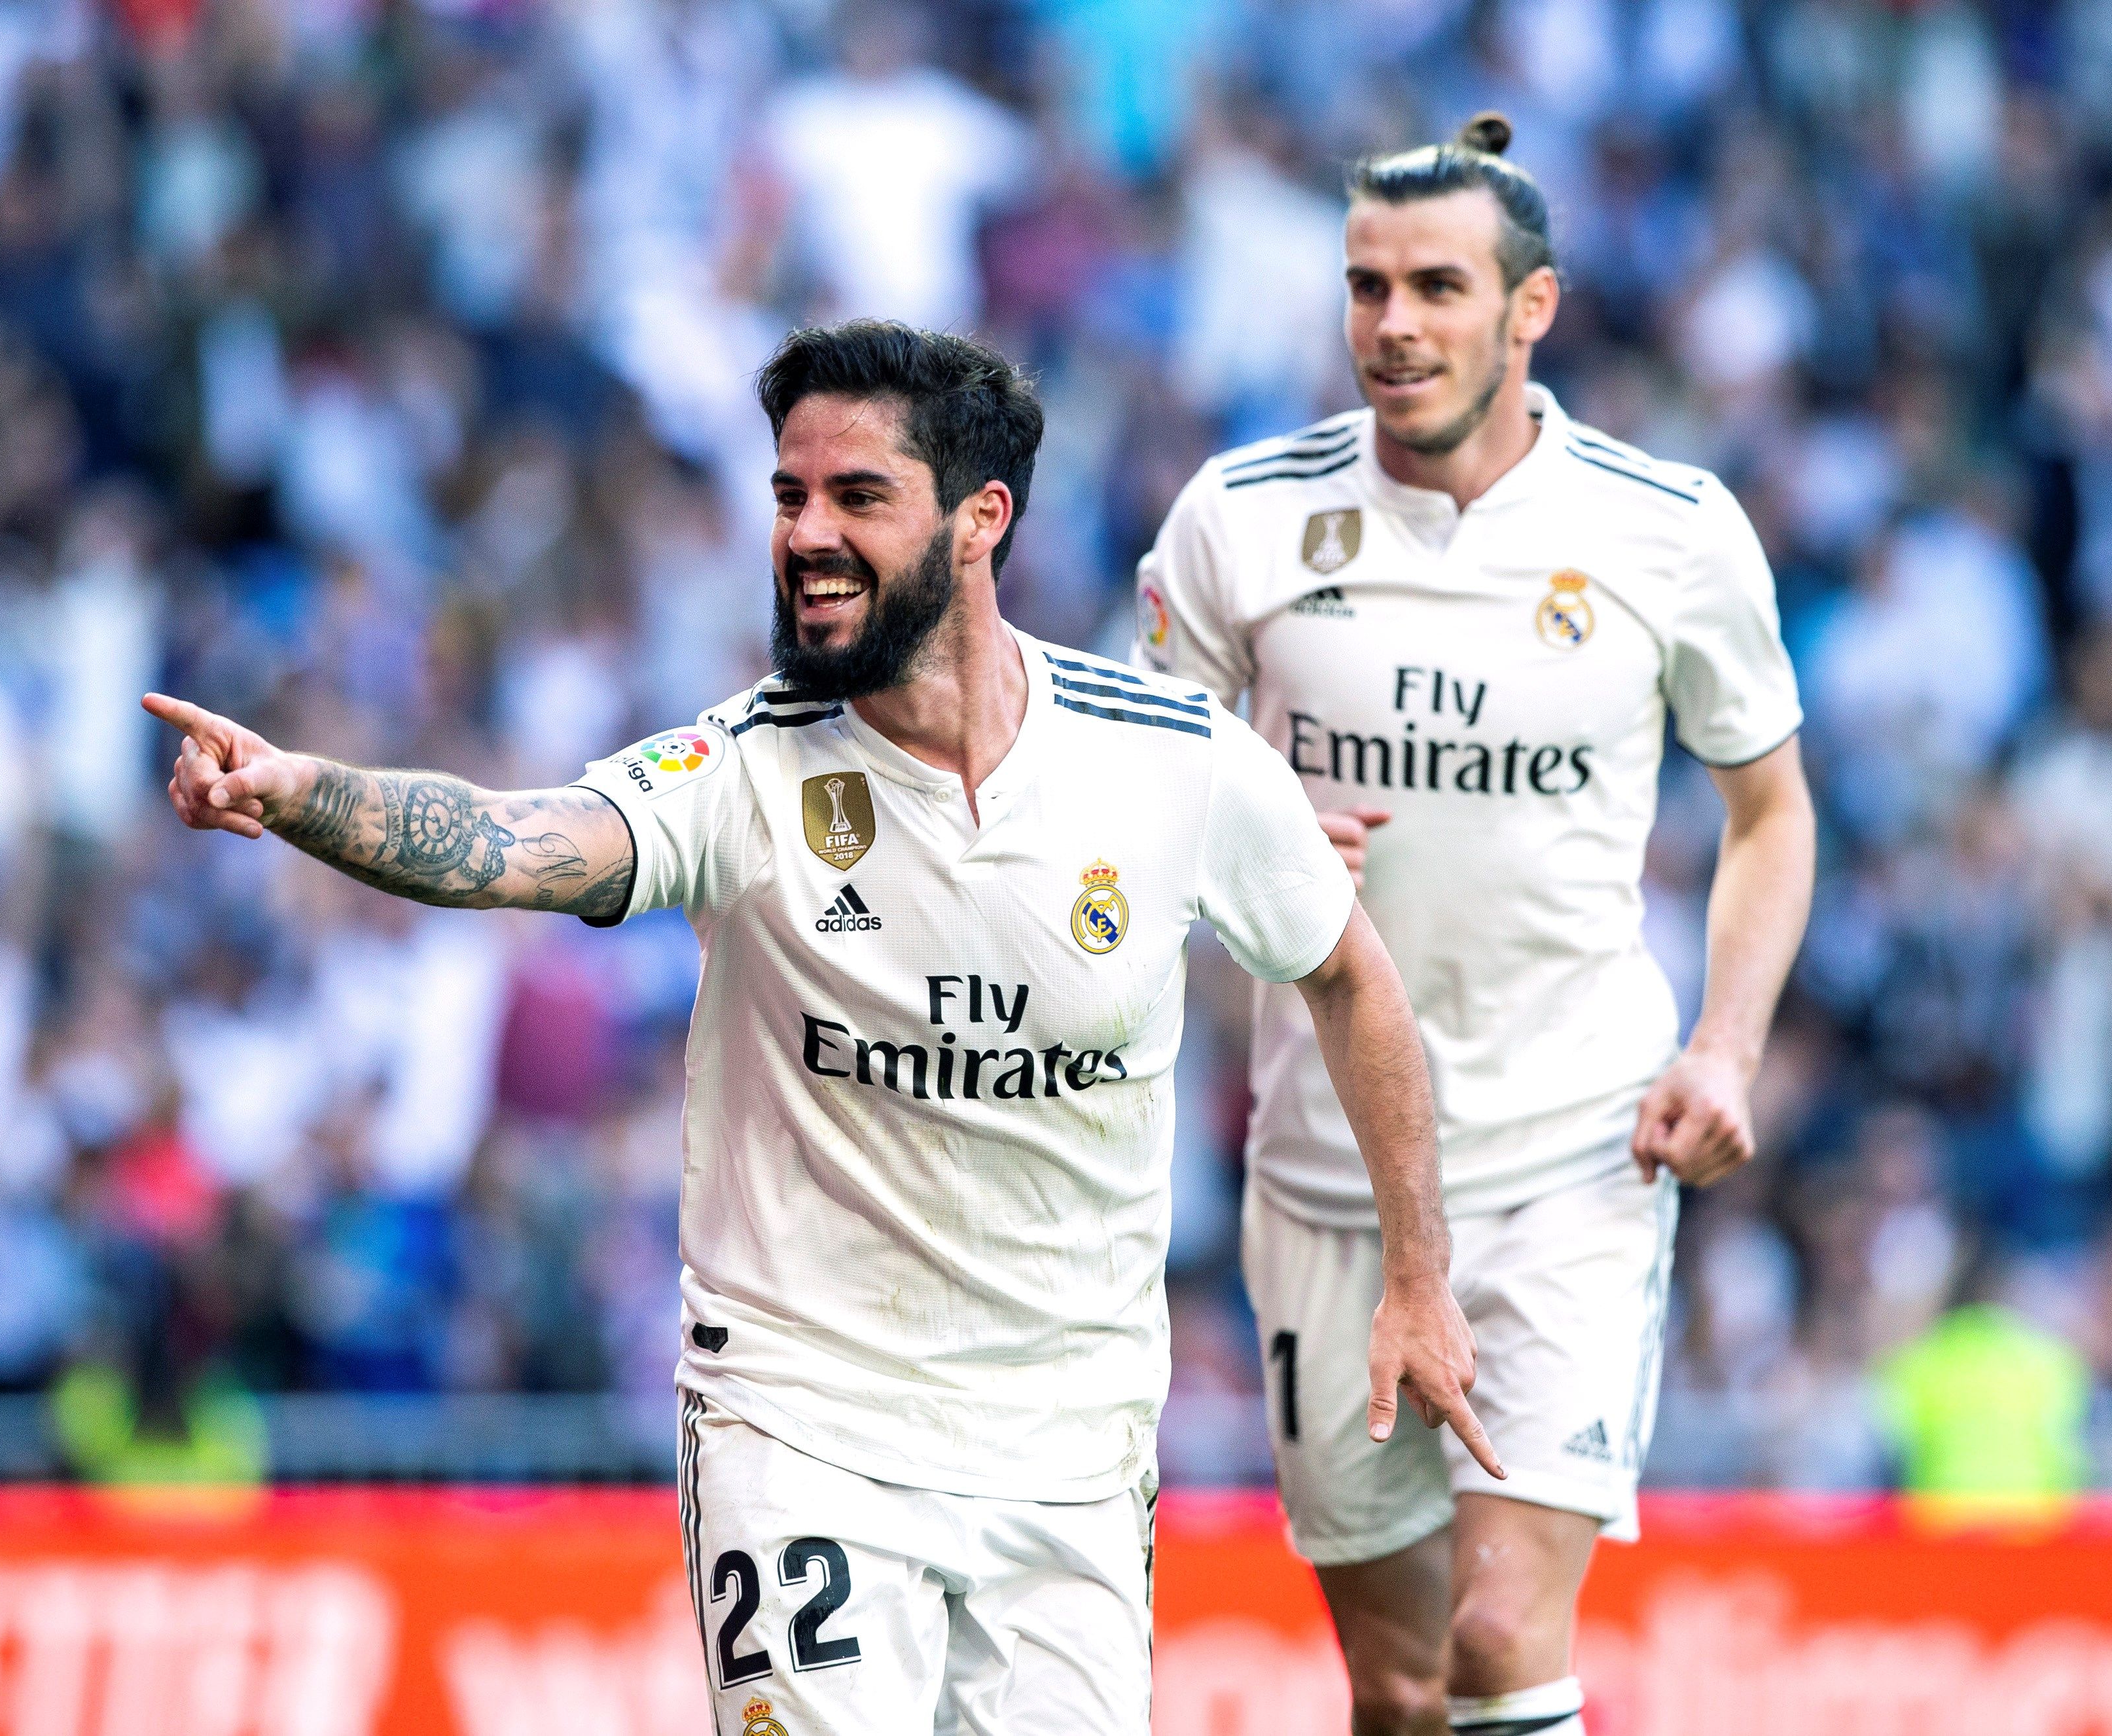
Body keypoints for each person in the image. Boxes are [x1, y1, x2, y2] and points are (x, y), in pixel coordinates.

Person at [149, 319, 1495, 1733]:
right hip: (802, 1426)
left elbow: (1353, 980)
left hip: (1072, 1453)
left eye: (858, 496)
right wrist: (301, 793)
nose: (805, 535)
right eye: (789, 495)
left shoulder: (1170, 764)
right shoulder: (741, 766)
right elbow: (511, 841)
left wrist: (1418, 1275)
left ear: (980, 520)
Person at [1136, 116, 1817, 1736]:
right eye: (1366, 285)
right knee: (1398, 1685)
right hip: (1326, 1178)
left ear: (1532, 308)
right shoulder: (1237, 519)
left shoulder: (1667, 529)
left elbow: (1772, 812)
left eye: (1438, 287)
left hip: (1571, 1156)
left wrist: (1726, 1044)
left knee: (1501, 1639)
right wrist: (1243, 845)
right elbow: (1141, 805)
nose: (1393, 325)